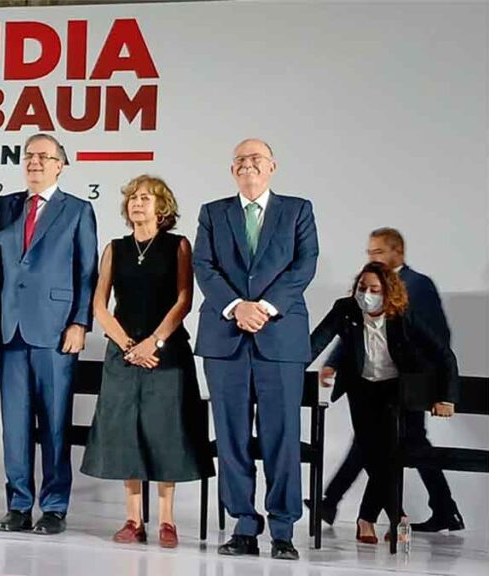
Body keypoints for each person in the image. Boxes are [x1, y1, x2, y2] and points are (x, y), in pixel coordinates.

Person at [192, 139, 318, 560]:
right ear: (233, 170)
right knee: (231, 437)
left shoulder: (297, 210)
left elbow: (304, 264)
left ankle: (283, 529)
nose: (248, 165)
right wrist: (235, 306)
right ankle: (243, 525)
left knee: (282, 435)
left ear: (272, 167)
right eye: (241, 160)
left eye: (256, 159)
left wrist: (262, 308)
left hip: (279, 337)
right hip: (225, 338)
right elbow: (203, 266)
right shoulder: (213, 213)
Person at [81, 176, 213, 547]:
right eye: (133, 198)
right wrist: (128, 345)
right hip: (123, 352)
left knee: (165, 430)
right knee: (126, 432)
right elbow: (99, 305)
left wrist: (153, 342)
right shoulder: (115, 248)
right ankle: (133, 519)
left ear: (162, 207)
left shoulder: (177, 245)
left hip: (165, 351)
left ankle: (167, 521)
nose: (137, 203)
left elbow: (184, 299)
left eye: (146, 198)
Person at [308, 227, 464, 533]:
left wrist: (439, 394)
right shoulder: (350, 307)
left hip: (405, 385)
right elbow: (353, 335)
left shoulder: (415, 290)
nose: (368, 293)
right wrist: (325, 364)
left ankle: (367, 511)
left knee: (392, 449)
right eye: (370, 253)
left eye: (378, 251)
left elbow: (438, 345)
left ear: (397, 252)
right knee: (376, 449)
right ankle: (387, 514)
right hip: (364, 384)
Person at [0, 133, 98, 535]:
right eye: (28, 155)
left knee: (54, 422)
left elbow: (87, 271)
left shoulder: (78, 210)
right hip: (9, 329)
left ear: (60, 165)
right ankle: (18, 504)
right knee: (15, 425)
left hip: (56, 330)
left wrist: (80, 322)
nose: (34, 162)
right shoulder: (3, 206)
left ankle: (54, 506)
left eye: (43, 156)